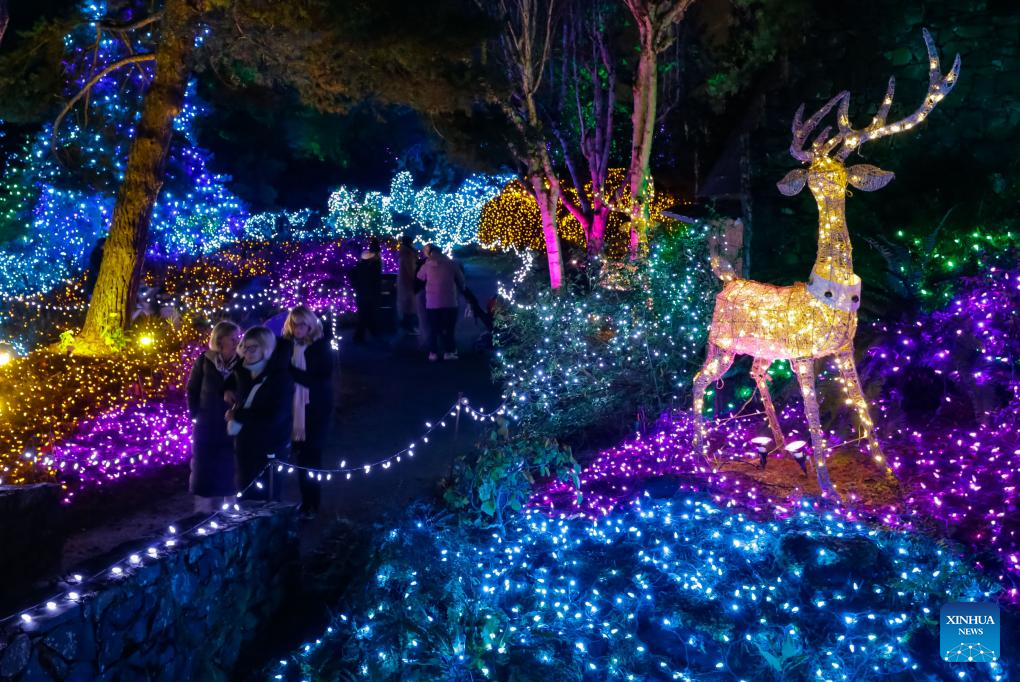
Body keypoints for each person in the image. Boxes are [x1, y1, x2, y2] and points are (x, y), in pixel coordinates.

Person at [226, 326, 294, 501]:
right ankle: (248, 526)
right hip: (244, 443)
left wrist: (238, 416)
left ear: (266, 348)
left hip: (270, 446)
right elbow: (232, 382)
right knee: (245, 490)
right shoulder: (242, 369)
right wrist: (227, 389)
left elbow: (275, 416)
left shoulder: (280, 377)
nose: (247, 352)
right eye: (245, 347)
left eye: (253, 348)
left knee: (267, 496)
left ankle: (268, 526)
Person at [280, 306, 334, 518]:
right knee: (301, 458)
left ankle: (313, 503)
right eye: (294, 324)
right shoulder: (285, 346)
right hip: (292, 408)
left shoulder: (320, 347)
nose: (298, 328)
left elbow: (320, 382)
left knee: (312, 457)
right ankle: (305, 502)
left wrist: (291, 372)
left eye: (303, 323)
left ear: (311, 325)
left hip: (315, 409)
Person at [186, 321, 241, 512]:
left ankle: (230, 506)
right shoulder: (205, 360)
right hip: (206, 422)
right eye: (232, 338)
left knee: (229, 463)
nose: (236, 341)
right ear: (220, 339)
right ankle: (204, 508)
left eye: (237, 338)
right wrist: (195, 413)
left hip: (231, 421)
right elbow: (192, 388)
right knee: (204, 463)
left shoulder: (242, 361)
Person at [417, 244, 464, 361]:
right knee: (449, 328)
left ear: (430, 253)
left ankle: (433, 353)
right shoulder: (452, 263)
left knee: (433, 328)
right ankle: (449, 352)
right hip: (450, 301)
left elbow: (419, 277)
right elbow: (461, 280)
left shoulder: (427, 265)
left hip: (432, 302)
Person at [350, 244, 382, 343]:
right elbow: (376, 281)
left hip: (360, 294)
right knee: (367, 315)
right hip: (369, 295)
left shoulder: (358, 267)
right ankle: (362, 336)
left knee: (364, 315)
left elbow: (352, 277)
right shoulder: (371, 268)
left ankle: (369, 334)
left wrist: (355, 286)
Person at [396, 234, 420, 334]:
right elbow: (411, 269)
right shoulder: (408, 254)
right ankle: (408, 325)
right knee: (409, 305)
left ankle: (406, 324)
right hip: (408, 283)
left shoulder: (405, 253)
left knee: (407, 304)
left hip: (405, 283)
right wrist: (416, 278)